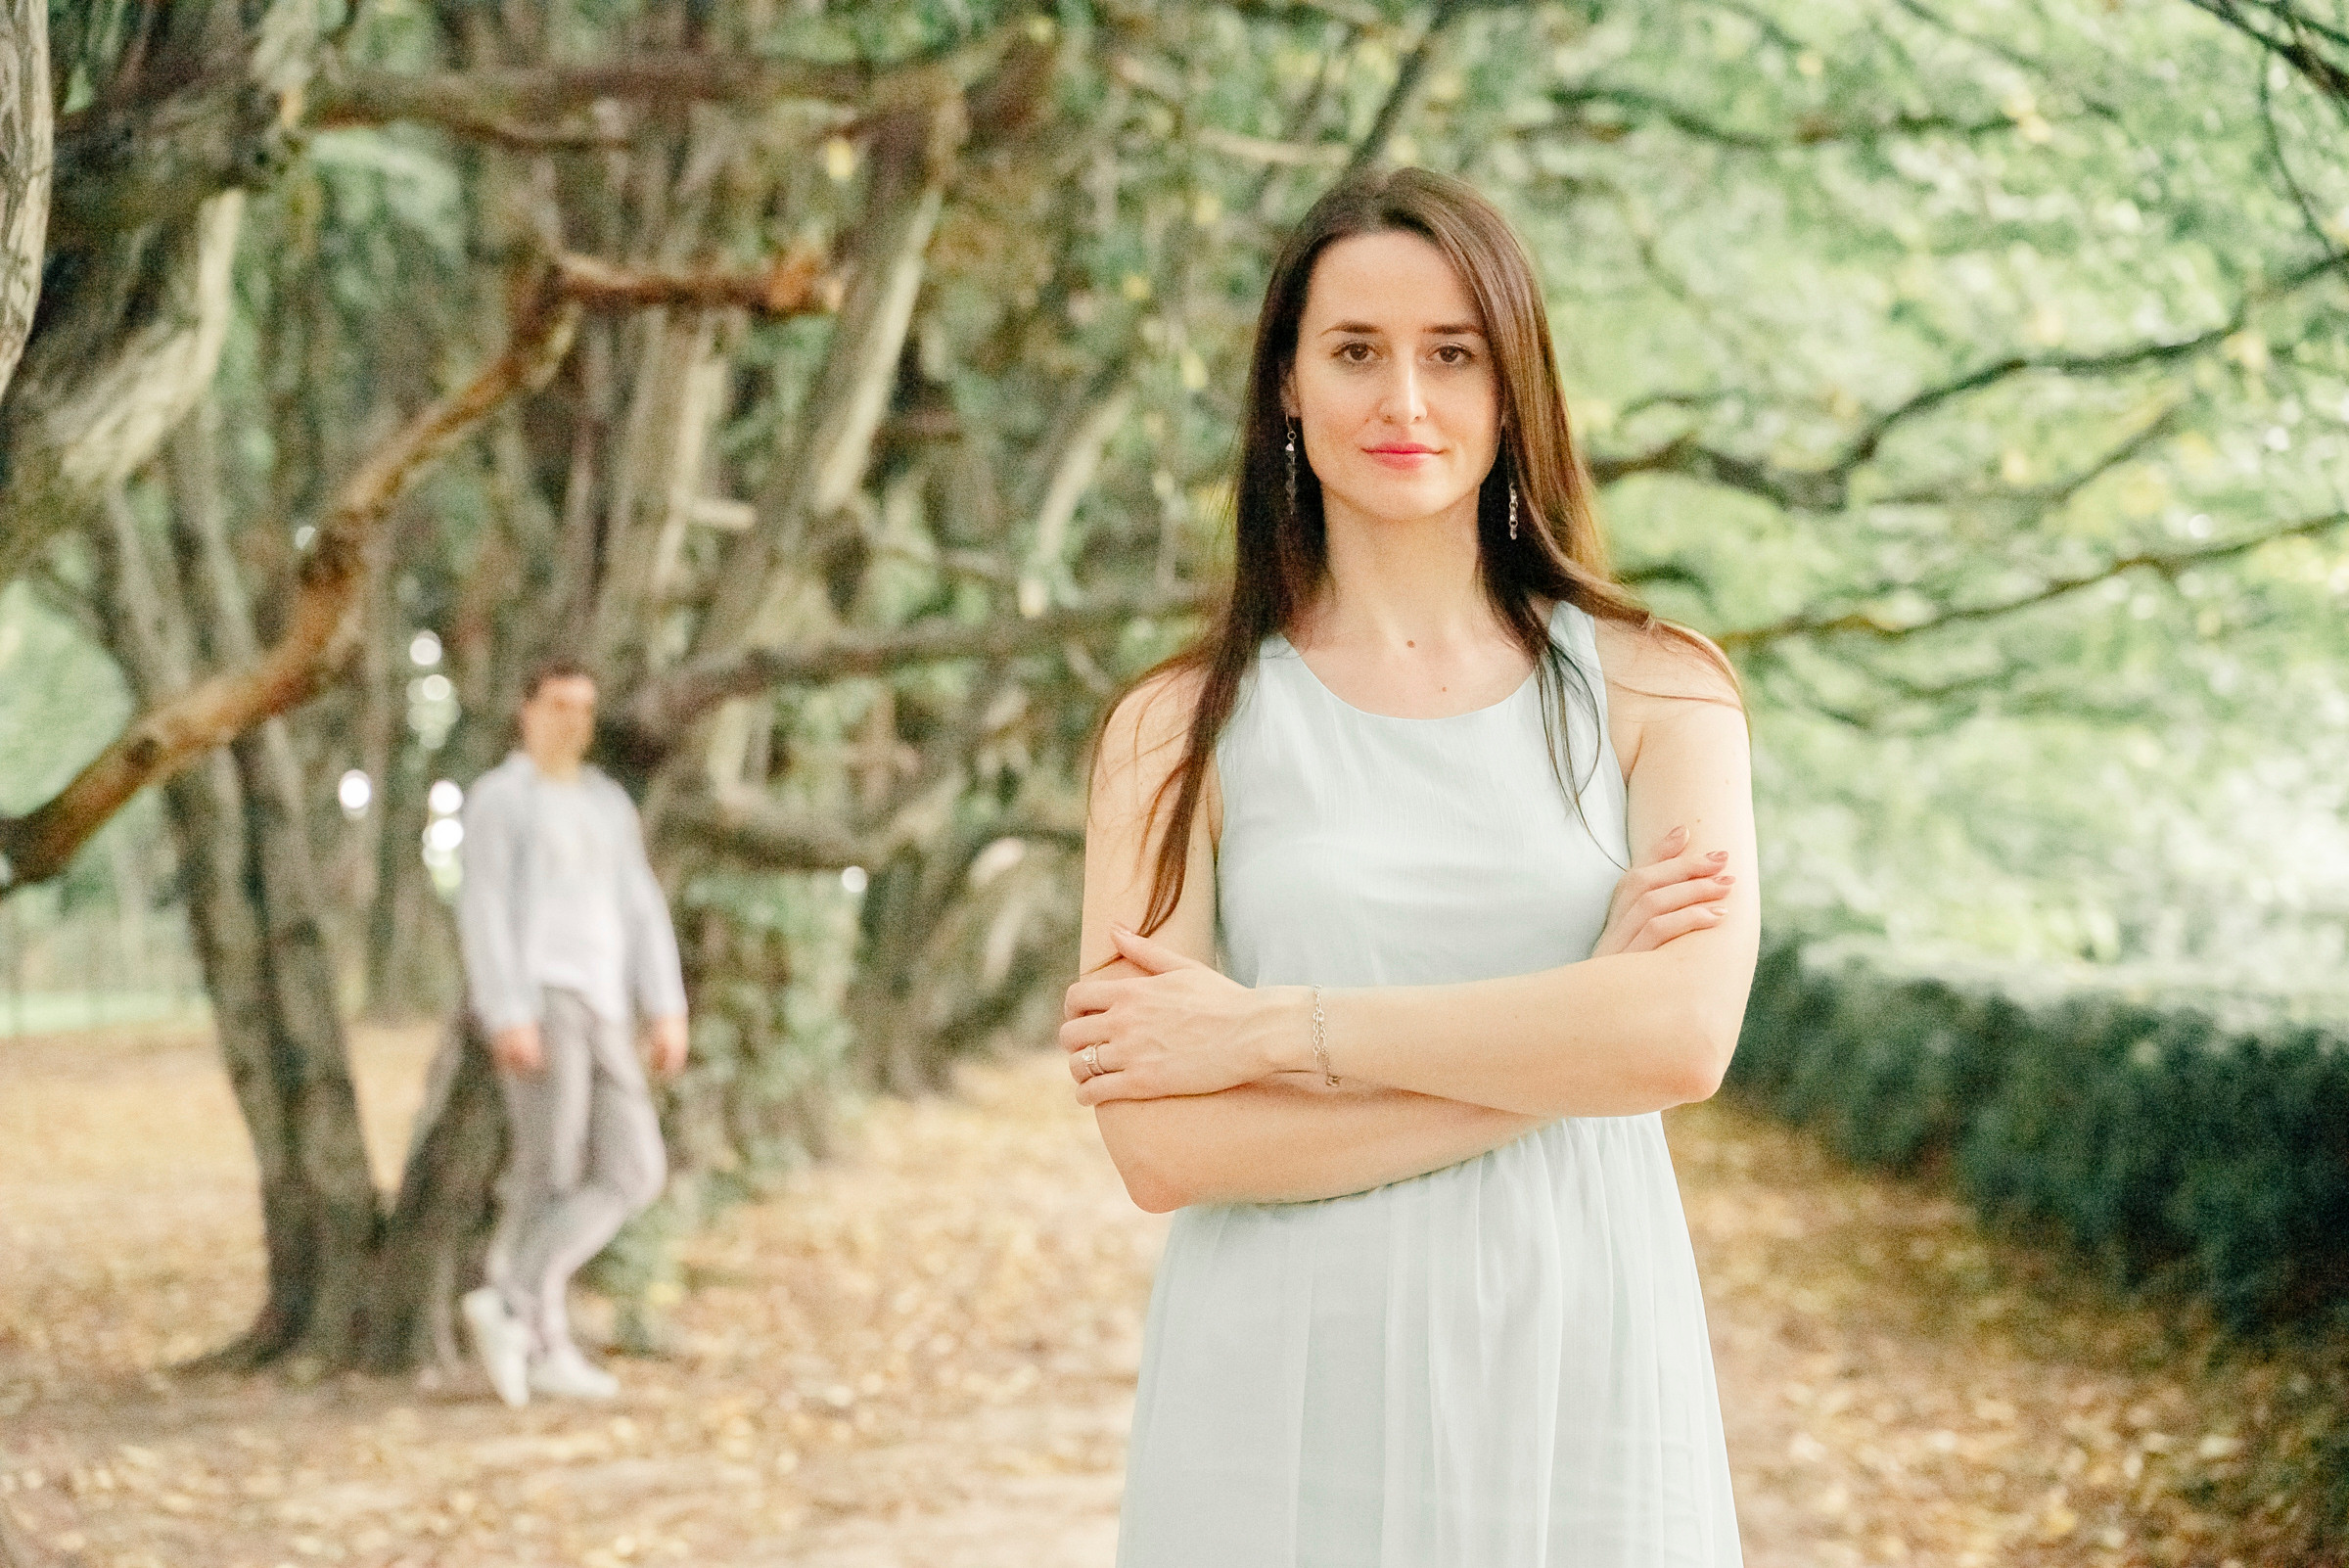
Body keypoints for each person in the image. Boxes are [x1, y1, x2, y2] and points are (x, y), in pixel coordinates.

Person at [1063, 166, 1756, 1566]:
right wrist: (1565, 1044)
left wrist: (1274, 1030)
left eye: (1454, 355)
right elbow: (1164, 1143)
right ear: (1287, 388)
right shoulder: (1170, 730)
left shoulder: (1663, 691)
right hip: (1279, 1384)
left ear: (1514, 388)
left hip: (1582, 1364)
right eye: (1356, 352)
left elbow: (1677, 1038)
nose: (1406, 402)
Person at [453, 658, 689, 1406]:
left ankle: (512, 1298)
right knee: (547, 1171)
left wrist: (666, 1005)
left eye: (583, 708)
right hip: (542, 996)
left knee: (632, 1169)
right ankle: (543, 1341)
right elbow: (484, 907)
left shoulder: (606, 804)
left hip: (606, 1001)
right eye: (557, 704)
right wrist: (507, 1010)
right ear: (526, 710)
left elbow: (642, 907)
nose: (571, 721)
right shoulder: (500, 800)